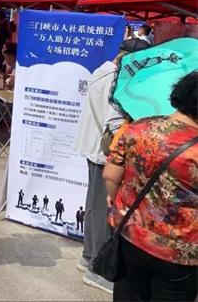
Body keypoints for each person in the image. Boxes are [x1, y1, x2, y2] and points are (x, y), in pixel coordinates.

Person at [103, 72, 198, 302]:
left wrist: (118, 200)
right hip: (179, 253)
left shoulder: (139, 127)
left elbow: (110, 176)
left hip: (130, 235)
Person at [72, 38, 150, 292]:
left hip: (93, 146)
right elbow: (114, 122)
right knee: (103, 209)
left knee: (93, 204)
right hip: (104, 152)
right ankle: (98, 269)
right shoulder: (116, 78)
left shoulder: (102, 70)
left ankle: (88, 256)